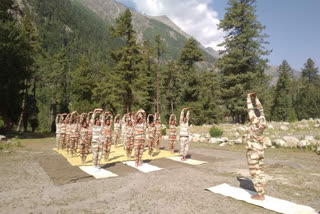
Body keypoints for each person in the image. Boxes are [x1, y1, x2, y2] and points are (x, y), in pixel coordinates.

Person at [246, 92, 267, 200]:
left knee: (255, 173)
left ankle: (259, 195)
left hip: (253, 151)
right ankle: (262, 192)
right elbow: (261, 109)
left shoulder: (254, 122)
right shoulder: (263, 121)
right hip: (260, 150)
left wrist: (248, 98)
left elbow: (250, 109)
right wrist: (256, 99)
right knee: (261, 172)